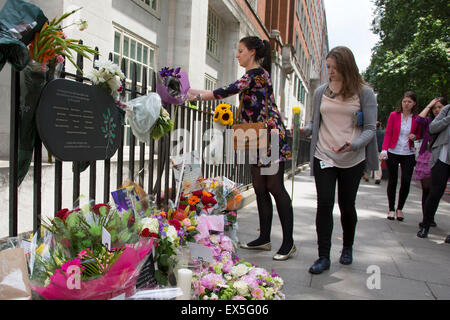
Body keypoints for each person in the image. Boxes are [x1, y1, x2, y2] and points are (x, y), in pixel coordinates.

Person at [187, 36, 295, 261]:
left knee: (275, 187)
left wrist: (197, 95)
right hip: (258, 137)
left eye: (240, 51)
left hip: (272, 137)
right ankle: (264, 238)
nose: (237, 55)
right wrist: (192, 92)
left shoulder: (256, 75)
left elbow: (229, 90)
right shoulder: (255, 75)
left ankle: (289, 243)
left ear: (252, 52)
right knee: (259, 187)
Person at [299, 46, 378, 274]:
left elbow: (371, 128)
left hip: (352, 158)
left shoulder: (364, 93)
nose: (330, 72)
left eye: (334, 68)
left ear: (346, 67)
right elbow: (316, 122)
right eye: (328, 67)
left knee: (346, 205)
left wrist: (352, 145)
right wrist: (305, 129)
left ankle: (347, 246)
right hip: (324, 155)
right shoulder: (321, 92)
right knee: (324, 204)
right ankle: (323, 256)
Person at [379, 91, 422, 222]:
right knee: (392, 180)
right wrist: (384, 149)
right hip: (394, 150)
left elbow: (420, 134)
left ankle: (400, 208)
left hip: (408, 153)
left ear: (414, 103)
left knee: (406, 180)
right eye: (404, 101)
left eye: (409, 102)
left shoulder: (417, 118)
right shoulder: (394, 115)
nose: (406, 104)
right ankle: (391, 208)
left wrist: (415, 137)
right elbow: (388, 133)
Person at [417, 103, 450, 238]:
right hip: (442, 157)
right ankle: (425, 226)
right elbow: (432, 127)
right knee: (435, 192)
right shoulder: (447, 110)